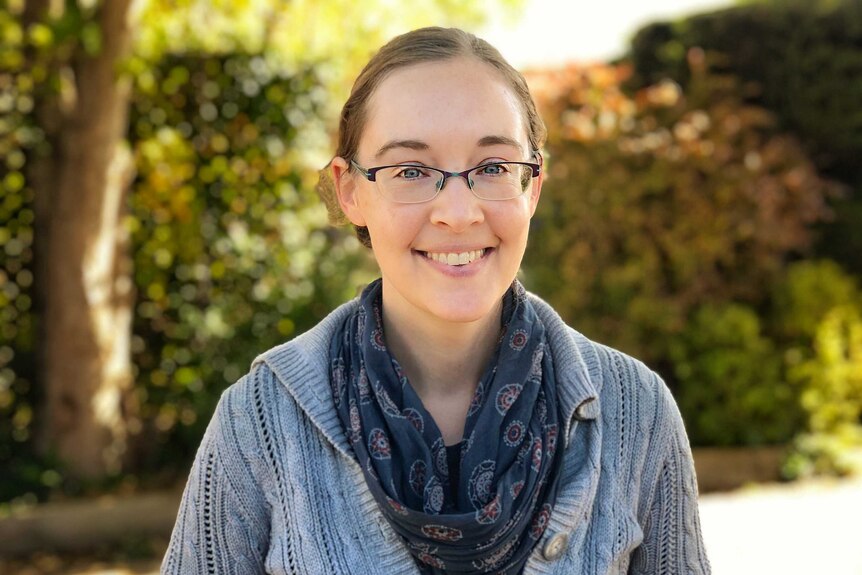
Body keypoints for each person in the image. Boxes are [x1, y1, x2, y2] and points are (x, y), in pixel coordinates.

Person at [162, 27, 711, 575]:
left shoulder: (636, 410)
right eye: (411, 171)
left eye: (493, 168)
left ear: (533, 186)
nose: (458, 211)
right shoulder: (261, 420)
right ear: (350, 190)